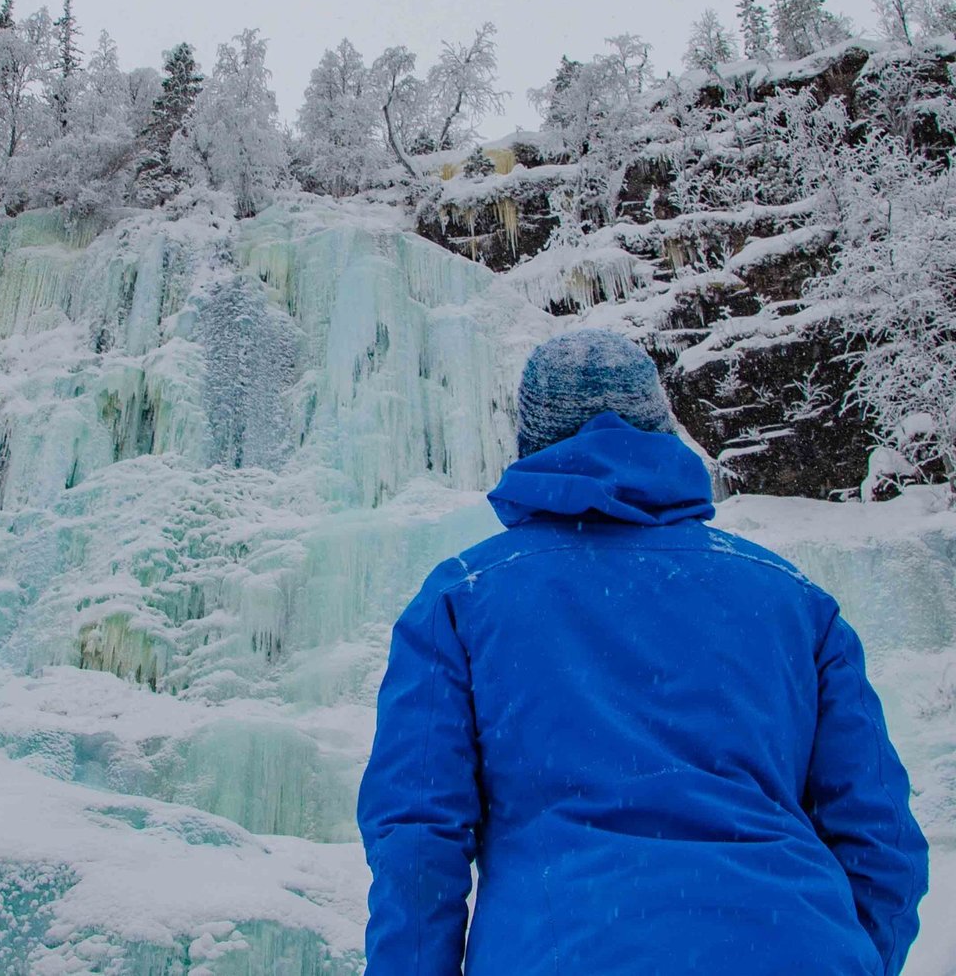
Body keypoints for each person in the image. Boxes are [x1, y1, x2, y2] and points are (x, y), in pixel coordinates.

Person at [357, 329, 928, 975]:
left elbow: (418, 835)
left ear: (534, 442)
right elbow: (881, 839)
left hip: (562, 948)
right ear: (662, 431)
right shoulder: (791, 598)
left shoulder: (466, 594)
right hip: (801, 946)